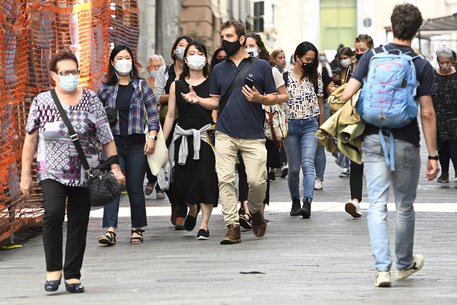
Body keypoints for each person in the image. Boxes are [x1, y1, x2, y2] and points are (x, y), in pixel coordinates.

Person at [342, 3, 438, 287]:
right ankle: (404, 264)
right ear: (416, 30)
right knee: (405, 205)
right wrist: (433, 155)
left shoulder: (371, 56)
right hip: (406, 140)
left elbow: (348, 93)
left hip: (373, 137)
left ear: (392, 26)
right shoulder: (421, 65)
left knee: (378, 206)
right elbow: (428, 113)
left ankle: (382, 269)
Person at [20, 51, 124, 293]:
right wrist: (26, 175)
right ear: (54, 76)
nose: (70, 76)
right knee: (54, 215)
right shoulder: (41, 101)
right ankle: (52, 272)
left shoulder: (91, 99)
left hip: (83, 172)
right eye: (64, 72)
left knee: (79, 222)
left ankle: (73, 276)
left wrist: (115, 167)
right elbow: (30, 140)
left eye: (74, 72)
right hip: (51, 172)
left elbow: (106, 137)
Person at [181, 20, 278, 244]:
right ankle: (232, 226)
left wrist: (260, 98)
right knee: (225, 180)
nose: (225, 40)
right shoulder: (219, 69)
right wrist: (198, 100)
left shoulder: (260, 66)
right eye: (222, 36)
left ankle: (254, 211)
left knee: (257, 182)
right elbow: (215, 102)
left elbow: (274, 97)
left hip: (253, 133)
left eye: (230, 36)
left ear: (242, 39)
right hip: (225, 131)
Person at [97, 45, 160, 245]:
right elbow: (96, 118)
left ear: (132, 62)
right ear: (112, 63)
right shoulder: (105, 88)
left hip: (136, 145)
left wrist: (152, 137)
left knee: (134, 188)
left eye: (128, 57)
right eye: (120, 58)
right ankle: (110, 230)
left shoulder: (142, 86)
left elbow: (153, 114)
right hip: (113, 145)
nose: (124, 61)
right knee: (112, 186)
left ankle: (137, 229)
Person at [163, 41, 218, 240]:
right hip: (182, 138)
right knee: (182, 184)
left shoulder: (213, 83)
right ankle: (192, 209)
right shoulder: (176, 85)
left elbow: (216, 110)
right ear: (185, 59)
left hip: (205, 137)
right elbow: (170, 115)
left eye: (200, 52)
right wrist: (162, 141)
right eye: (191, 53)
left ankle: (204, 225)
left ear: (205, 57)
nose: (196, 56)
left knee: (206, 180)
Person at [239, 33, 289, 224]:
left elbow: (284, 96)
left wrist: (266, 99)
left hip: (264, 124)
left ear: (259, 48)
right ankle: (245, 211)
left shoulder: (270, 70)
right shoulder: (236, 68)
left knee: (260, 172)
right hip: (243, 121)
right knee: (243, 170)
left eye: (252, 45)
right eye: (245, 45)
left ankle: (258, 212)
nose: (248, 48)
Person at [154, 36, 193, 229]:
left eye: (187, 46)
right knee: (165, 165)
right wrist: (178, 93)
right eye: (180, 45)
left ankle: (181, 208)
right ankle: (175, 204)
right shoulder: (164, 70)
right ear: (174, 50)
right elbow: (157, 96)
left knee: (183, 168)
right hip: (166, 121)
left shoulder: (193, 70)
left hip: (187, 124)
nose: (183, 49)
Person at [283, 41, 324, 218]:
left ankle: (307, 202)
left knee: (308, 164)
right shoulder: (284, 78)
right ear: (297, 57)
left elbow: (321, 106)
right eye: (307, 59)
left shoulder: (316, 79)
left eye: (312, 60)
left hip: (310, 125)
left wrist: (322, 131)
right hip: (290, 126)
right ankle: (295, 201)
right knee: (293, 169)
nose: (309, 63)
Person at [344, 34, 374, 217]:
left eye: (363, 50)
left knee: (375, 162)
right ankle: (355, 201)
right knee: (355, 162)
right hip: (355, 119)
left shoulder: (378, 67)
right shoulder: (351, 69)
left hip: (374, 120)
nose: (360, 53)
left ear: (371, 48)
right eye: (357, 50)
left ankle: (378, 201)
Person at [433, 46, 457, 183]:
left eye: (447, 62)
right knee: (442, 144)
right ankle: (445, 172)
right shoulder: (433, 74)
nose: (445, 65)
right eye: (442, 62)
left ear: (452, 61)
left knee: (454, 142)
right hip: (439, 115)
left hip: (454, 114)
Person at [143, 54, 166, 198]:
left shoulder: (165, 83)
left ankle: (160, 186)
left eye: (159, 66)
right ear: (148, 68)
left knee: (162, 152)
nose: (156, 69)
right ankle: (151, 179)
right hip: (147, 122)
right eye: (154, 66)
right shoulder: (144, 83)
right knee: (149, 151)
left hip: (163, 120)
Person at [314, 52, 336, 190]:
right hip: (304, 113)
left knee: (319, 144)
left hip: (323, 108)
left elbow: (332, 89)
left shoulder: (323, 76)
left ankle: (319, 177)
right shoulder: (296, 77)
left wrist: (335, 90)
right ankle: (310, 175)